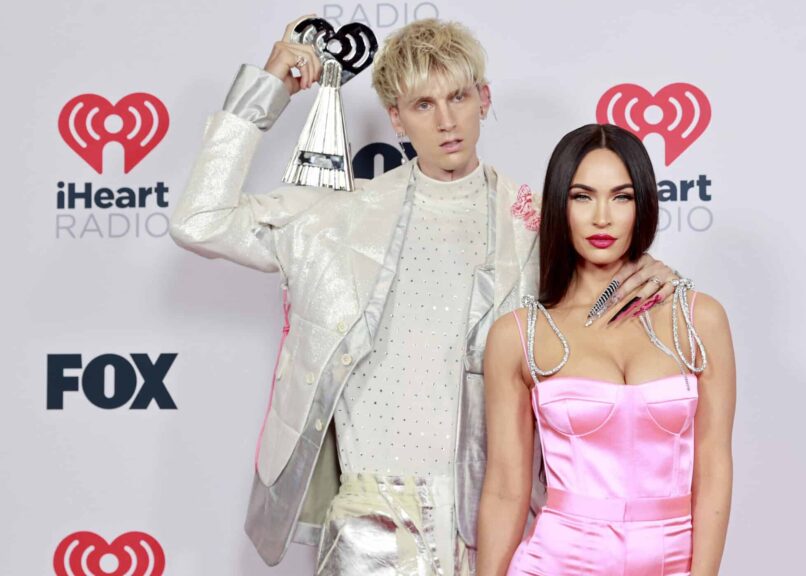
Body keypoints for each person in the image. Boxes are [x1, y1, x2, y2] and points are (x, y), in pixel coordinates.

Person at [171, 16, 681, 576]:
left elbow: (604, 298)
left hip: (501, 525)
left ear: (483, 99)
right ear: (395, 117)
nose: (446, 122)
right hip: (371, 525)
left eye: (458, 97)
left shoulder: (538, 224)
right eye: (422, 105)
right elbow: (200, 221)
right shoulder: (337, 218)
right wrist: (265, 92)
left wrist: (649, 270)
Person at [477, 124, 736, 575]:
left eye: (622, 196)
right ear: (560, 205)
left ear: (644, 205)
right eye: (582, 196)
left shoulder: (700, 320)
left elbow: (713, 471)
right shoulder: (518, 334)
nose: (602, 217)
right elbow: (504, 489)